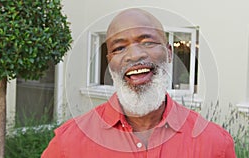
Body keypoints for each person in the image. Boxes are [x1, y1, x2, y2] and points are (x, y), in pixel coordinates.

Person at [41, 8, 236, 158]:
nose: (135, 55)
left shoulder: (214, 143)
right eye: (119, 48)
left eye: (148, 42)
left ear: (169, 52)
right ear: (110, 62)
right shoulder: (68, 143)